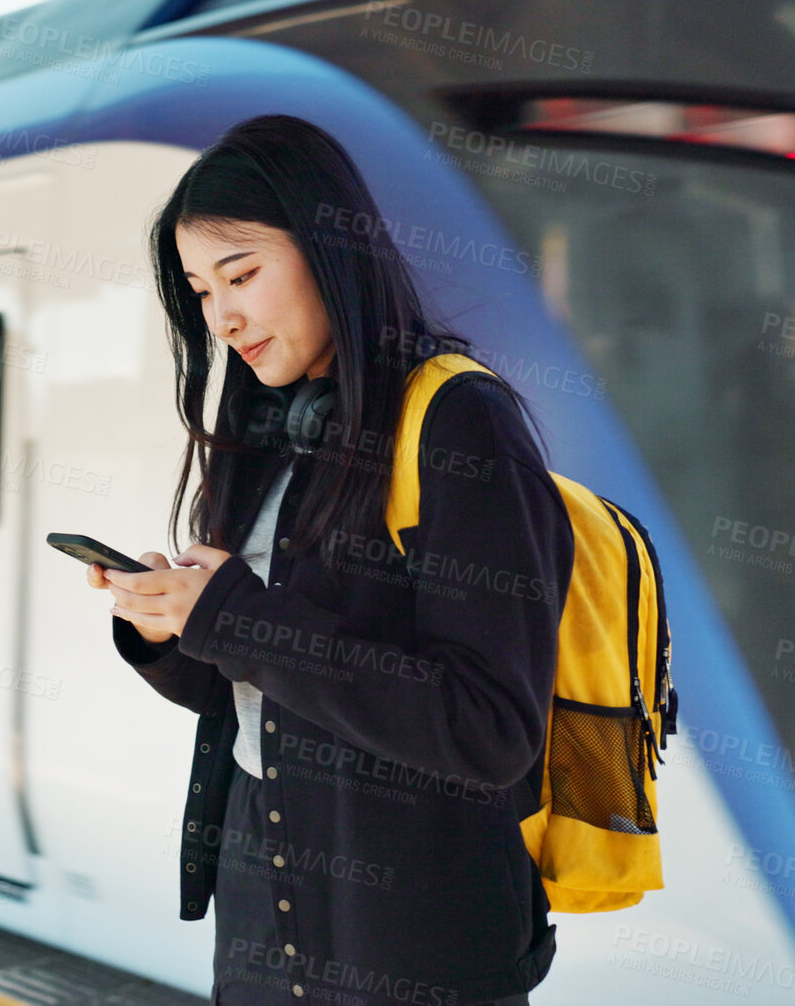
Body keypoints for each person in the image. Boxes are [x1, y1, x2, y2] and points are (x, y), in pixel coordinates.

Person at [88, 114, 574, 1005]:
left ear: (330, 250)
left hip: (411, 945)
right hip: (260, 913)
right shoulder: (265, 434)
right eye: (199, 290)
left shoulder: (458, 423)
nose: (221, 315)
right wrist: (171, 625)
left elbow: (488, 728)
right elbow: (255, 689)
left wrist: (232, 617)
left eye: (241, 274)